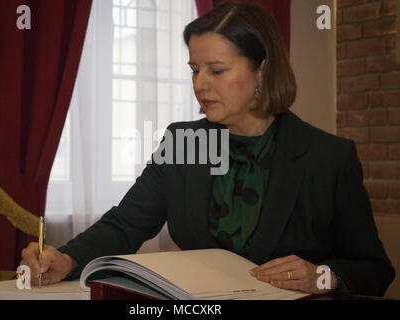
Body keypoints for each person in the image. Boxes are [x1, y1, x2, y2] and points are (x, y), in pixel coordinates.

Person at [21, 2, 395, 296]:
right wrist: (67, 258)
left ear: (262, 71)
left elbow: (374, 270)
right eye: (193, 69)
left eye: (216, 70)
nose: (200, 84)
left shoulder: (329, 156)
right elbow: (125, 225)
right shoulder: (183, 142)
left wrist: (322, 277)